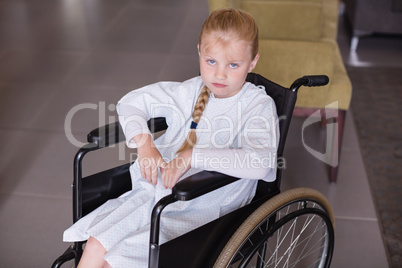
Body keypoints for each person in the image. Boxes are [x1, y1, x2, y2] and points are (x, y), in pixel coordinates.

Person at [63, 8, 279, 268]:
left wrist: (191, 156)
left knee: (118, 261)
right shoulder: (190, 91)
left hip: (207, 208)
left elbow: (261, 162)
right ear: (199, 51)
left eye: (234, 65)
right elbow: (130, 103)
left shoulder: (257, 105)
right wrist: (145, 144)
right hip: (156, 195)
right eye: (211, 61)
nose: (220, 75)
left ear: (253, 62)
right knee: (97, 243)